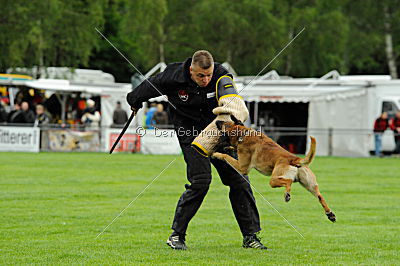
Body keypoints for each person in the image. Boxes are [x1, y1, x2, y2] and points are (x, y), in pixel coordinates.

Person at [127, 50, 265, 250]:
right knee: (201, 181)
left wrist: (233, 110)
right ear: (191, 69)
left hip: (216, 131)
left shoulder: (221, 75)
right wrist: (134, 100)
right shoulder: (172, 75)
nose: (205, 79)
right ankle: (177, 236)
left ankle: (250, 237)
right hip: (189, 132)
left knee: (239, 180)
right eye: (201, 75)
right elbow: (149, 87)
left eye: (208, 75)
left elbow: (229, 95)